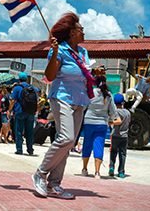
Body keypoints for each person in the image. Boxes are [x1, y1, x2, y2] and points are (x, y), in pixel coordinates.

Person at [32, 12, 91, 200]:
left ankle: (54, 184)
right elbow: (49, 76)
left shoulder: (83, 53)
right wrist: (55, 53)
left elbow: (84, 73)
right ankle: (40, 174)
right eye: (81, 29)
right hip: (62, 98)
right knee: (66, 137)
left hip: (80, 100)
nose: (84, 31)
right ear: (71, 32)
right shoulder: (60, 50)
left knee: (69, 143)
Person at [81, 76, 118, 179]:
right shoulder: (108, 95)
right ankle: (97, 172)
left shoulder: (91, 92)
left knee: (87, 144)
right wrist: (112, 119)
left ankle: (84, 169)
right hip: (102, 123)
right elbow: (113, 111)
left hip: (88, 121)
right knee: (99, 145)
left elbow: (83, 106)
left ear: (95, 83)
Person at [10, 71, 40, 155]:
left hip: (20, 111)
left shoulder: (17, 88)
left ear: (19, 79)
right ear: (26, 79)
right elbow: (37, 100)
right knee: (29, 131)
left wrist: (9, 110)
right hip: (30, 112)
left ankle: (19, 149)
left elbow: (12, 100)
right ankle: (30, 149)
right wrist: (35, 110)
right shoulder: (33, 88)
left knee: (19, 131)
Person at [109, 93, 130, 178]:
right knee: (123, 154)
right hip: (124, 136)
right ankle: (121, 171)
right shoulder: (128, 112)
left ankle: (111, 167)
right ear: (122, 103)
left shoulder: (115, 112)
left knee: (113, 152)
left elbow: (113, 121)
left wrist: (109, 122)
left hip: (115, 135)